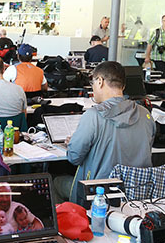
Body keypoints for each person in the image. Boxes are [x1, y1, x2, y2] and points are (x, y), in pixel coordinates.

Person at [54, 61, 156, 203]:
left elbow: (74, 157)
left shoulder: (94, 115)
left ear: (100, 81)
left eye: (93, 83)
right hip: (138, 195)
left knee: (55, 183)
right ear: (123, 86)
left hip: (98, 196)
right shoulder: (145, 115)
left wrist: (74, 144)